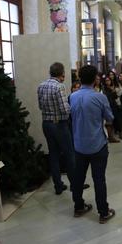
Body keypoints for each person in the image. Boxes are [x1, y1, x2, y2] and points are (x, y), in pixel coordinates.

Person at [70, 65, 115, 223]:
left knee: (78, 178)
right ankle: (103, 212)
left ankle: (79, 206)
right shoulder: (100, 97)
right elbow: (109, 117)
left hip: (78, 144)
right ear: (95, 78)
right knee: (99, 179)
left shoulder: (73, 96)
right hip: (97, 144)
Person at [37, 62, 75, 195]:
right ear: (62, 74)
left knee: (53, 155)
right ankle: (74, 184)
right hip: (59, 125)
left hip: (46, 124)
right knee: (69, 155)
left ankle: (58, 185)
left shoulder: (41, 86)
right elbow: (65, 109)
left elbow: (40, 107)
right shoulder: (59, 87)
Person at [102, 76, 122, 141]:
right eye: (106, 81)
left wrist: (113, 91)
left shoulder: (112, 88)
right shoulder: (104, 89)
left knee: (117, 119)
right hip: (107, 105)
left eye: (108, 80)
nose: (107, 82)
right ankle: (111, 136)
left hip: (114, 105)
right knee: (109, 121)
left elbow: (116, 97)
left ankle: (119, 133)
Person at [108, 71, 122, 139]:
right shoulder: (107, 84)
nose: (111, 76)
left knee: (117, 118)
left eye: (112, 75)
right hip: (109, 103)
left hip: (117, 102)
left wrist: (115, 93)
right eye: (110, 75)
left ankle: (120, 132)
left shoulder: (117, 83)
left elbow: (121, 91)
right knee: (111, 119)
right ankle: (112, 133)